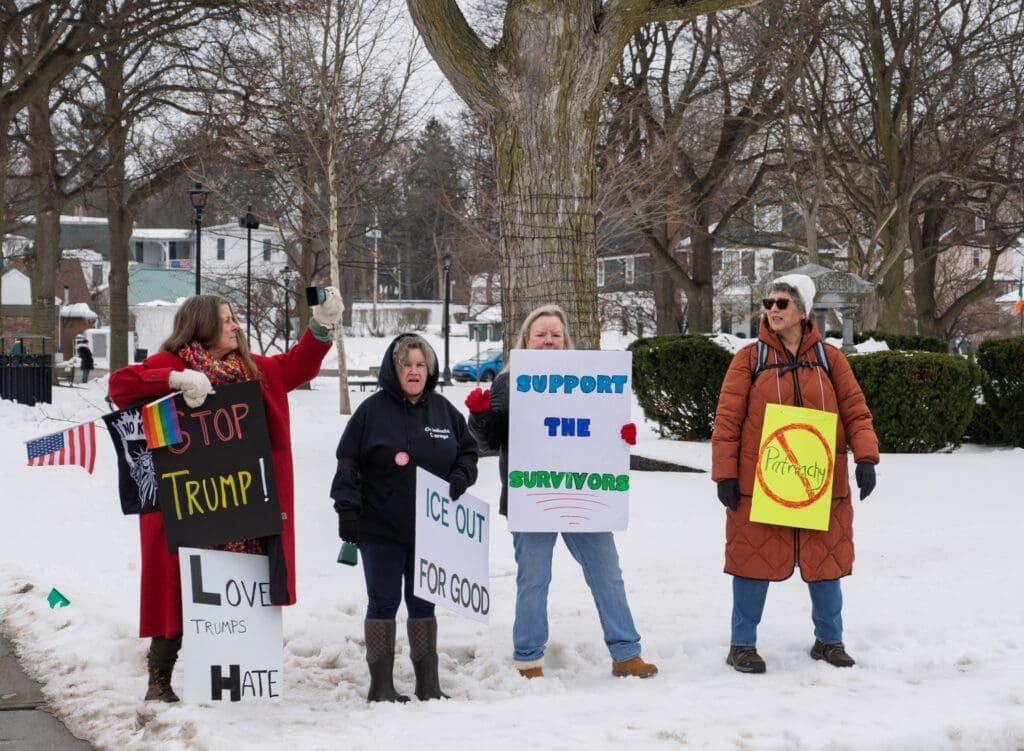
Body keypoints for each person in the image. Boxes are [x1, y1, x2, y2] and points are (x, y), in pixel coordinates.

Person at [108, 289, 344, 702]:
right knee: (180, 591)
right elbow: (120, 385)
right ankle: (159, 679)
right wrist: (174, 380)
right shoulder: (172, 364)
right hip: (188, 506)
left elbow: (298, 366)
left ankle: (236, 677)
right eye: (226, 319)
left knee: (243, 588)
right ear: (201, 326)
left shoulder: (254, 370)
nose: (235, 325)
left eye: (234, 318)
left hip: (247, 505)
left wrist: (321, 326)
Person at [466, 304, 657, 680]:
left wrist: (621, 437)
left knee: (607, 573)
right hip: (532, 496)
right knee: (533, 579)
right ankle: (528, 659)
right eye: (541, 335)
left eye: (555, 334)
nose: (549, 341)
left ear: (565, 339)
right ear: (526, 340)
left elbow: (598, 428)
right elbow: (491, 439)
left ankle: (626, 654)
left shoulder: (589, 377)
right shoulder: (510, 381)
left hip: (587, 494)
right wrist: (481, 414)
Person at [711, 274, 879, 674]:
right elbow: (727, 420)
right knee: (752, 563)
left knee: (826, 565)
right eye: (768, 303)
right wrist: (725, 475)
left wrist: (866, 458)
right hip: (761, 486)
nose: (772, 310)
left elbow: (855, 411)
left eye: (782, 304)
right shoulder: (749, 360)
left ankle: (829, 640)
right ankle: (742, 645)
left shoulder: (830, 359)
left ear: (803, 312)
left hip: (820, 486)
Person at [330, 334, 478, 703]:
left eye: (420, 365)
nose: (414, 371)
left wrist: (461, 474)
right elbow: (348, 463)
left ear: (429, 370)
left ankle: (428, 683)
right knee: (383, 602)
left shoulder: (445, 411)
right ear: (393, 370)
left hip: (430, 528)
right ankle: (381, 685)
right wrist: (347, 511)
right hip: (380, 527)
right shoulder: (371, 412)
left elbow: (469, 451)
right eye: (406, 365)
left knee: (423, 603)